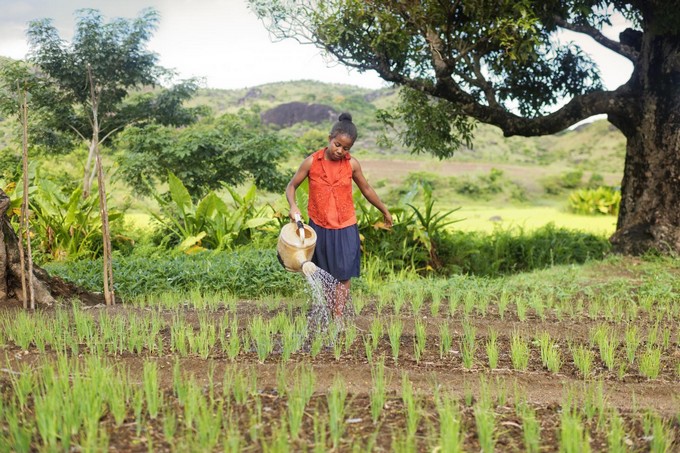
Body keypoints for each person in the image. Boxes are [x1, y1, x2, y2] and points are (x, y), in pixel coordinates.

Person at [286, 112, 393, 318]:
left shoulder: (352, 164)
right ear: (330, 139)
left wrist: (384, 210)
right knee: (322, 272)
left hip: (345, 225)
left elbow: (367, 190)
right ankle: (327, 311)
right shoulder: (311, 162)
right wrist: (293, 206)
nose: (340, 151)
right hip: (319, 225)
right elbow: (292, 186)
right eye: (337, 145)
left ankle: (337, 316)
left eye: (346, 148)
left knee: (344, 273)